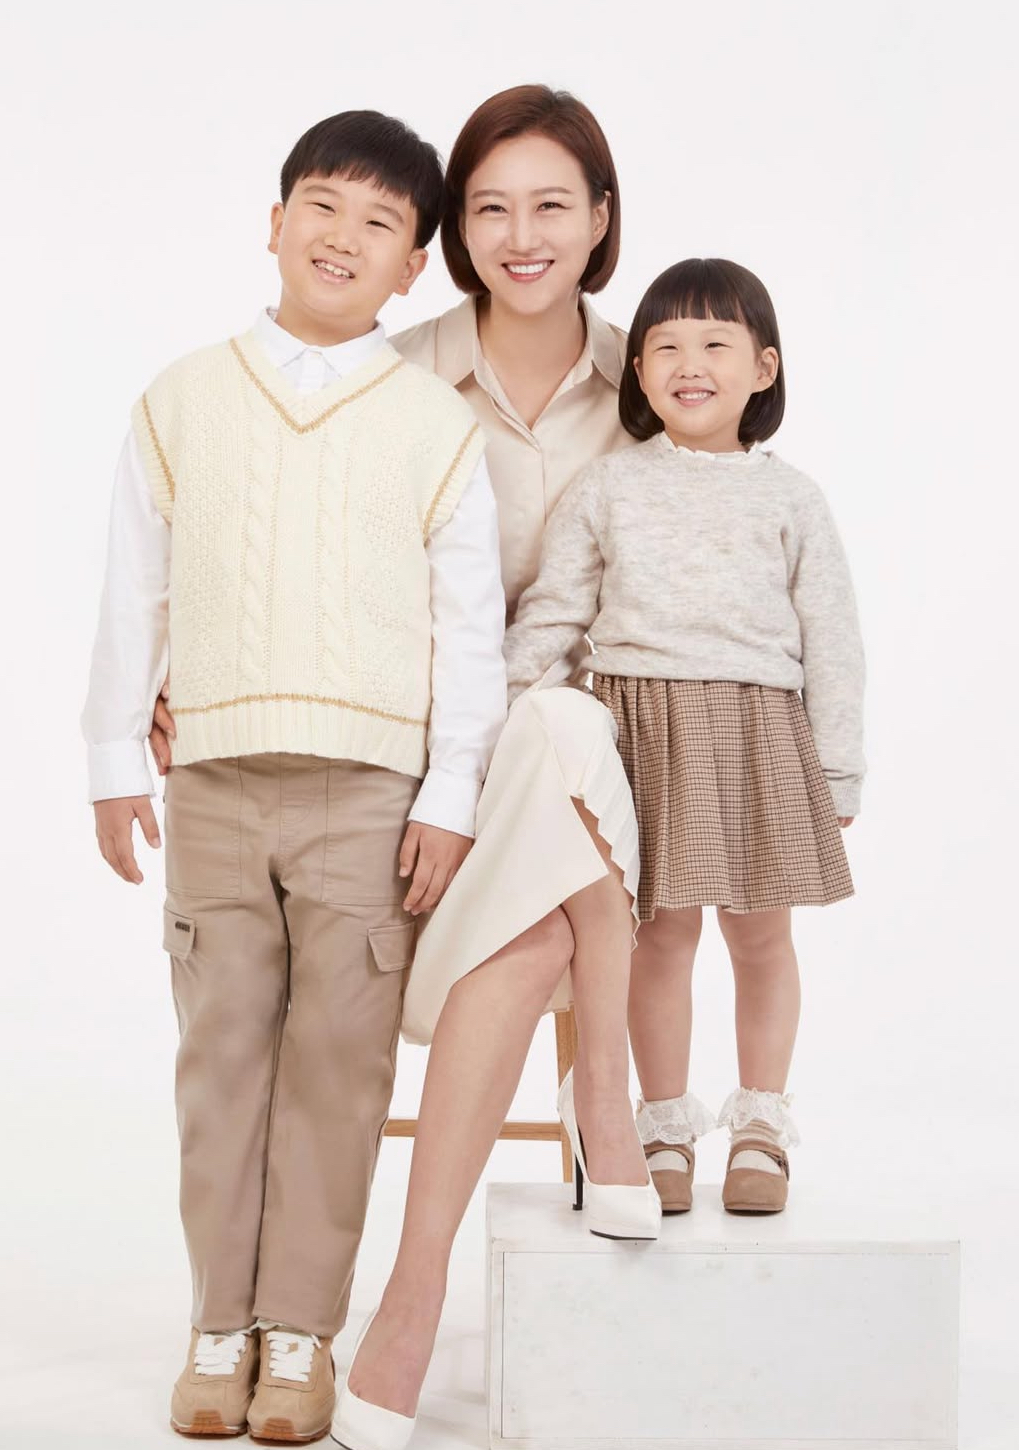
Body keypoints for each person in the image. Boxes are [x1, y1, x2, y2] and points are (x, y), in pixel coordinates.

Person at [146, 87, 659, 1450]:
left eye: (551, 205)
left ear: (600, 220)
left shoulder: (652, 379)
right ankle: (386, 1289)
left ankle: (410, 1294)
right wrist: (189, 673)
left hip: (587, 770)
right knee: (535, 932)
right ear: (448, 241)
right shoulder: (390, 369)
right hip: (409, 768)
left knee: (564, 732)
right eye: (489, 206)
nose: (520, 234)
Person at [82, 110, 510, 1443]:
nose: (343, 236)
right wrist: (112, 752)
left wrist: (448, 794)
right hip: (211, 780)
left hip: (370, 797)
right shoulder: (179, 399)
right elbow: (133, 588)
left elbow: (469, 632)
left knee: (338, 1066)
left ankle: (299, 1333)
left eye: (381, 223)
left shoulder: (432, 428)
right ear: (274, 223)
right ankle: (218, 1322)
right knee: (219, 1061)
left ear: (415, 266)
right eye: (322, 205)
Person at [505, 257, 865, 1219]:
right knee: (656, 936)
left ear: (763, 368)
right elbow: (554, 612)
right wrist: (498, 714)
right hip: (639, 732)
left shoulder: (792, 499)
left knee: (761, 932)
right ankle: (662, 1125)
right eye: (663, 346)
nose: (688, 364)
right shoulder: (608, 486)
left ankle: (761, 1127)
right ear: (638, 372)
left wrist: (837, 768)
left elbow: (832, 640)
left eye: (714, 343)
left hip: (757, 730)